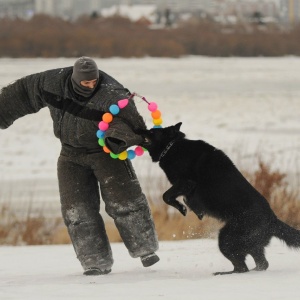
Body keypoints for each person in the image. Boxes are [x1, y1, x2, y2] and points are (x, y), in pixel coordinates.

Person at [0, 56, 159, 275]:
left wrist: (118, 138)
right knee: (77, 211)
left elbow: (136, 128)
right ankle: (95, 262)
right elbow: (22, 93)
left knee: (125, 202)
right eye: (86, 82)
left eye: (94, 81)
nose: (91, 85)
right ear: (75, 79)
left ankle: (146, 249)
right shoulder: (51, 83)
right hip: (70, 154)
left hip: (104, 153)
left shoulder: (113, 95)